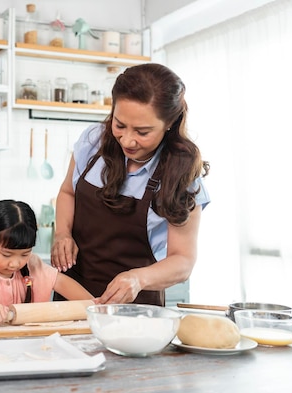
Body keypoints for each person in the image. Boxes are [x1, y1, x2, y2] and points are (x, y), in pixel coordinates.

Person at [51, 63, 210, 306]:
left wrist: (138, 279)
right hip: (72, 295)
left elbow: (183, 261)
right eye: (119, 125)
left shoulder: (181, 172)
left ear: (169, 123)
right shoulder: (93, 142)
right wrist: (62, 233)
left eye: (142, 132)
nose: (127, 140)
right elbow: (67, 193)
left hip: (136, 309)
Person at [0, 200, 95, 326]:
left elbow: (61, 282)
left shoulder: (32, 264)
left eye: (24, 254)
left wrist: (96, 305)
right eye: (6, 254)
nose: (15, 263)